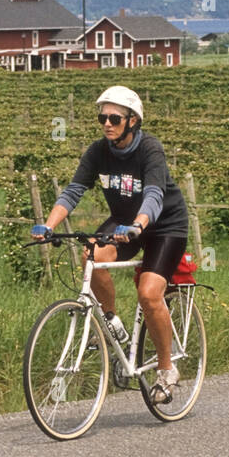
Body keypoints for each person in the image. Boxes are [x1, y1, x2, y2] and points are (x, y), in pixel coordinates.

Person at [31, 85, 190, 402]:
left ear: (132, 121)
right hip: (123, 221)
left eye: (114, 118)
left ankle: (166, 369)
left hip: (163, 225)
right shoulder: (97, 152)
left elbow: (154, 195)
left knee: (148, 293)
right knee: (91, 254)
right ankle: (112, 321)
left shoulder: (150, 150)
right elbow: (73, 191)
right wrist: (48, 226)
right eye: (102, 117)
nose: (107, 123)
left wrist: (138, 225)